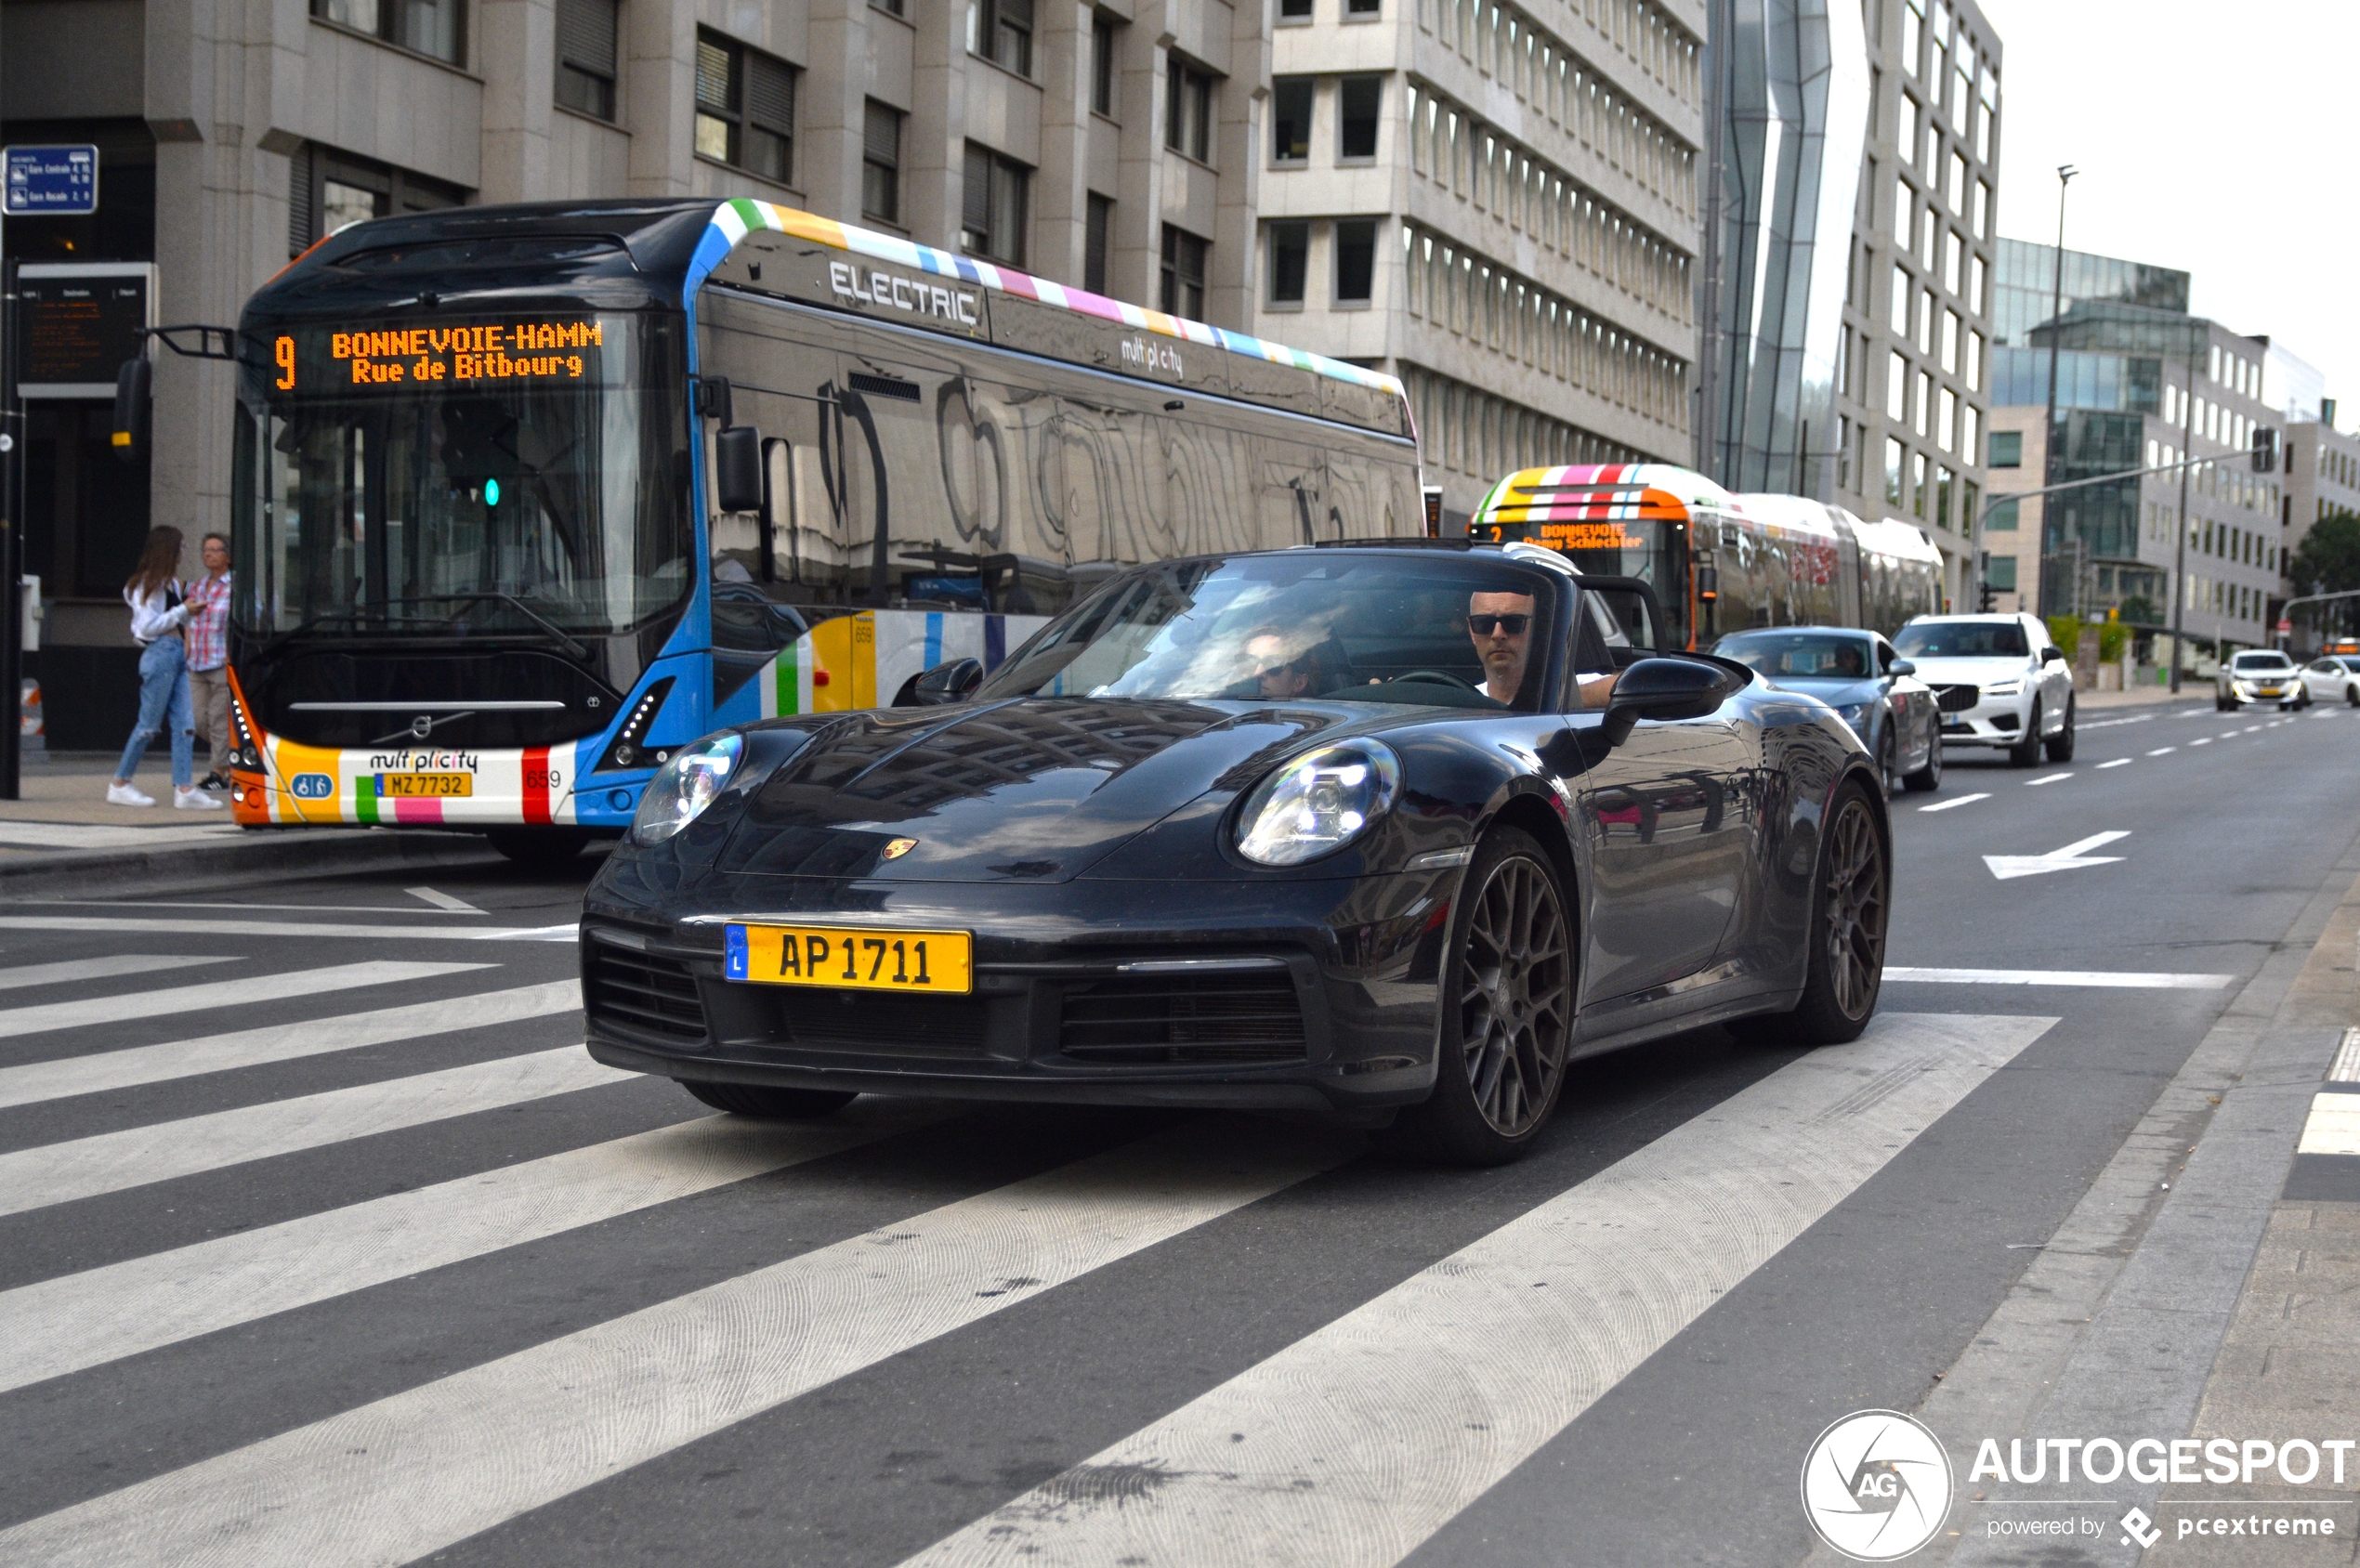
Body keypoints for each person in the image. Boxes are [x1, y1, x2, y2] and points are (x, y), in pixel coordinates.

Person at [108, 526, 221, 810]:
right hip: (161, 654)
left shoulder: (168, 583)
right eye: (181, 547)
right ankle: (120, 783)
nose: (184, 552)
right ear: (168, 549)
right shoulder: (150, 583)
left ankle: (184, 788)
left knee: (185, 726)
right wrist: (184, 611)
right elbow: (147, 627)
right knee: (148, 725)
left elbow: (162, 623)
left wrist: (187, 613)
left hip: (173, 654)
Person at [1467, 590, 1618, 708]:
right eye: (1483, 623)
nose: (1498, 634)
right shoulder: (1462, 702)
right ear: (1472, 632)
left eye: (1514, 622)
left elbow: (1633, 685)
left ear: (1538, 628)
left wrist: (1559, 701)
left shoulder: (1573, 690)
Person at [186, 532, 235, 791]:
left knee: (218, 718)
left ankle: (220, 773)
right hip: (196, 662)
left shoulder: (236, 586)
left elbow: (256, 616)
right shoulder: (197, 586)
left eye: (215, 550)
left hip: (221, 661)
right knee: (196, 719)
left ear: (227, 556)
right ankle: (231, 752)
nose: (209, 554)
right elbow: (189, 622)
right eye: (205, 549)